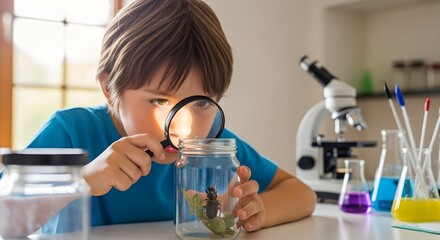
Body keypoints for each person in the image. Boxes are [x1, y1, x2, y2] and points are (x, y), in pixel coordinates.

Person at [27, 0, 316, 233]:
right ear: (108, 87)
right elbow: (7, 216)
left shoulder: (214, 146)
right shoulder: (70, 132)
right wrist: (82, 180)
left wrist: (258, 210)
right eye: (160, 100)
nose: (184, 127)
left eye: (202, 104)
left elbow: (302, 194)